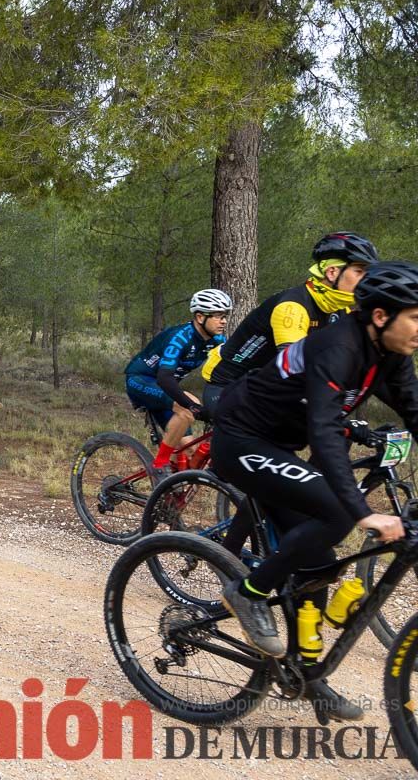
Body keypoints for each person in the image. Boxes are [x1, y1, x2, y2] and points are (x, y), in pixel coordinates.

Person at [211, 261, 418, 722]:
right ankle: (248, 592)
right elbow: (324, 431)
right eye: (417, 317)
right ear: (382, 316)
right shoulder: (338, 344)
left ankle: (307, 676)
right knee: (338, 514)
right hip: (241, 439)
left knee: (318, 565)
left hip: (281, 445)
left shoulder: (392, 357)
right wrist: (362, 511)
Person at [202, 232, 379, 411]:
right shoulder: (293, 307)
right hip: (227, 387)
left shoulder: (341, 310)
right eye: (359, 271)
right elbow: (295, 368)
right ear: (332, 272)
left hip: (264, 390)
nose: (365, 279)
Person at [124, 289, 231, 474]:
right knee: (188, 408)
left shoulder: (217, 340)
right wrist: (191, 405)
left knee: (189, 451)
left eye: (225, 316)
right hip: (141, 381)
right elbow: (164, 378)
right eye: (218, 316)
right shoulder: (180, 338)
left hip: (165, 388)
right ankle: (160, 466)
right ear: (199, 317)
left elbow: (230, 368)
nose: (224, 321)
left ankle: (168, 491)